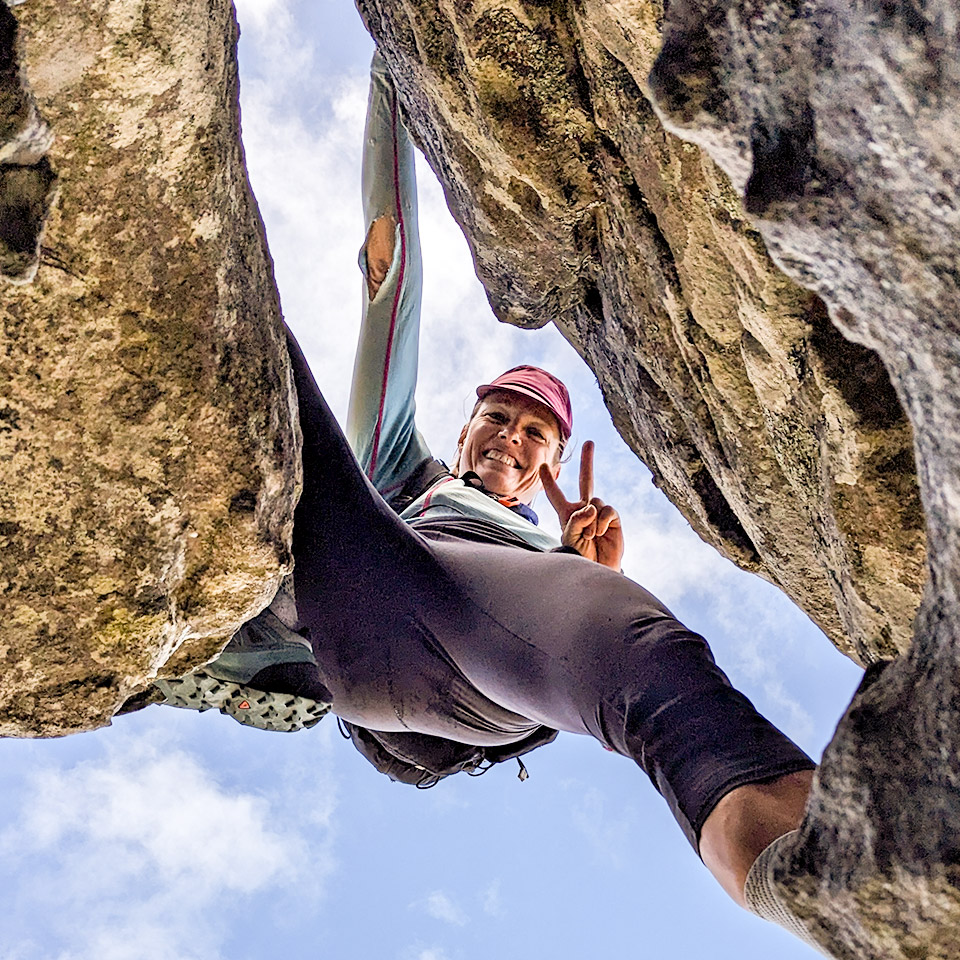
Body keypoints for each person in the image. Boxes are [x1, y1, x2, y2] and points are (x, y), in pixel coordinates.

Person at [150, 53, 826, 955]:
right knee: (255, 347)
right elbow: (390, 281)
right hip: (372, 609)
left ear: (550, 455)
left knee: (630, 634)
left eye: (536, 433)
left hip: (487, 682)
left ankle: (795, 857)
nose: (512, 436)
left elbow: (552, 634)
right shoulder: (405, 464)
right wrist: (394, 67)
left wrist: (581, 567)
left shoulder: (545, 560)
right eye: (499, 415)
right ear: (468, 424)